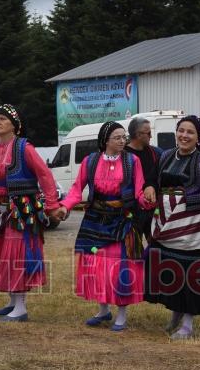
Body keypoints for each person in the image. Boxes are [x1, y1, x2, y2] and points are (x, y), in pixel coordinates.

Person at [57, 121, 154, 331]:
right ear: (105, 141)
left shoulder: (132, 161)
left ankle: (121, 314)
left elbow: (138, 191)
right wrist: (65, 207)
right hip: (95, 218)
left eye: (123, 137)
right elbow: (76, 189)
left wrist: (147, 199)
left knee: (120, 267)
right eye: (117, 138)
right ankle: (103, 310)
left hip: (122, 219)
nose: (122, 141)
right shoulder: (90, 161)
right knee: (96, 266)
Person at [0, 104, 60, 322]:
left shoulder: (24, 148)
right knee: (2, 255)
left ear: (15, 125)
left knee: (17, 254)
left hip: (22, 211)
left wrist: (52, 205)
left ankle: (21, 307)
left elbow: (45, 175)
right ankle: (12, 302)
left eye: (3, 119)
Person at [144, 116, 200, 340]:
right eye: (181, 130)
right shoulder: (165, 156)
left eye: (190, 132)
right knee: (171, 273)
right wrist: (150, 188)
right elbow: (152, 179)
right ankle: (175, 314)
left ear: (198, 137)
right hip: (166, 226)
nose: (184, 135)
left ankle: (188, 325)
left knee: (191, 275)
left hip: (194, 229)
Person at [125, 117, 160, 242]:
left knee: (156, 246)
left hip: (153, 210)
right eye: (148, 133)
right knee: (133, 248)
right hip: (132, 212)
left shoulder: (156, 153)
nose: (151, 136)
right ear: (138, 135)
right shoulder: (123, 155)